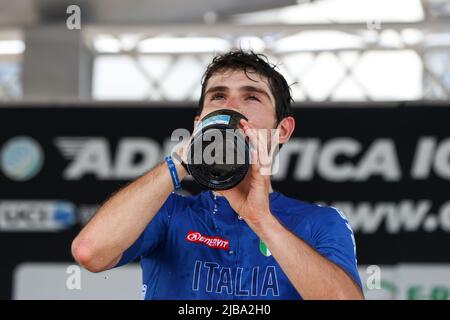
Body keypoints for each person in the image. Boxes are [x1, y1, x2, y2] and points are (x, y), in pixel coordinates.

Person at [71, 50, 364, 300]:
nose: (230, 105)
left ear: (282, 130)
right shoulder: (169, 213)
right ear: (199, 122)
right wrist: (180, 162)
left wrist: (263, 222)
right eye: (218, 95)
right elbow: (89, 253)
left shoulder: (320, 222)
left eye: (251, 97)